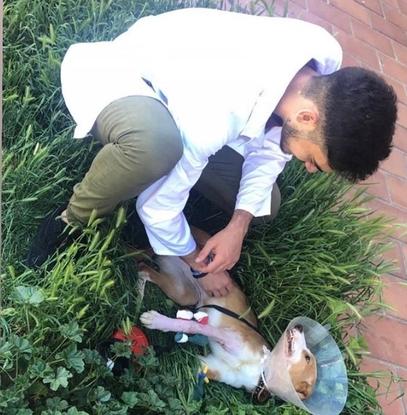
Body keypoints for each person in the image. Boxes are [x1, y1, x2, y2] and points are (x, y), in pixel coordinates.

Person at [27, 8, 397, 297]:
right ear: (306, 116)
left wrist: (238, 225)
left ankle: (176, 181)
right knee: (156, 146)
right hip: (127, 76)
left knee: (266, 202)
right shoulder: (218, 110)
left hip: (192, 100)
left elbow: (271, 151)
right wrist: (196, 261)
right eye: (315, 160)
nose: (310, 169)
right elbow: (157, 206)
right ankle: (69, 221)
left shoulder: (317, 70)